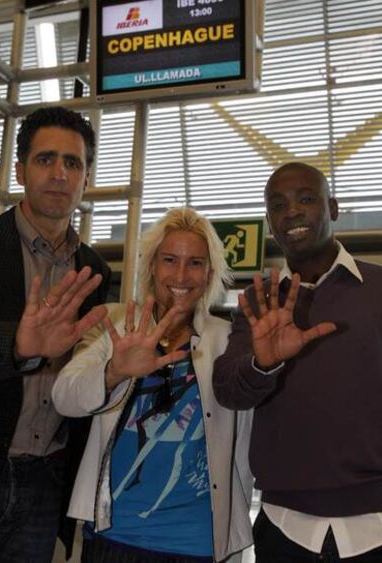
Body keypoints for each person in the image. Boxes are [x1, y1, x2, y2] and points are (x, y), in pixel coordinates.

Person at [52, 207, 254, 563]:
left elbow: (249, 440)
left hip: (196, 542)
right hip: (113, 534)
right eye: (169, 260)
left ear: (209, 274)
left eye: (195, 263)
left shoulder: (227, 340)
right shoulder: (119, 327)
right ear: (151, 267)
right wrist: (114, 370)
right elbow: (64, 398)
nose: (180, 274)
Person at [213, 161, 382, 562]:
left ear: (334, 208)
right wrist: (263, 363)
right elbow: (228, 390)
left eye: (306, 199)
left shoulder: (381, 289)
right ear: (270, 222)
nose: (291, 211)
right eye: (278, 205)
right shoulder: (258, 302)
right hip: (282, 526)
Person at [0, 106, 111, 563]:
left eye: (72, 163)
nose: (59, 174)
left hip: (46, 477)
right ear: (19, 171)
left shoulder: (94, 269)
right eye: (45, 159)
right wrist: (17, 346)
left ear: (86, 179)